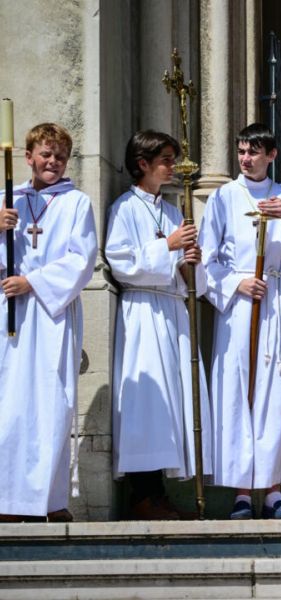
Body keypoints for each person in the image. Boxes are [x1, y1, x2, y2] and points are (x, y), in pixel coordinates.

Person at [199, 123, 281, 519]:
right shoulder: (222, 198)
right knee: (238, 393)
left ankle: (272, 489)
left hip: (277, 299)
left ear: (272, 155)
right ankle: (240, 493)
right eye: (241, 151)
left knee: (278, 394)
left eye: (253, 151)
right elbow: (206, 259)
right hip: (239, 306)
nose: (246, 158)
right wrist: (236, 282)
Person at [106, 130, 211, 519]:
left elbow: (191, 281)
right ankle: (143, 493)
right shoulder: (124, 208)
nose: (171, 166)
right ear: (142, 163)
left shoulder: (171, 211)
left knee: (171, 405)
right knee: (146, 404)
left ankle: (159, 491)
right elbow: (121, 263)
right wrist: (166, 246)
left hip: (171, 311)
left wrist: (190, 263)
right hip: (144, 313)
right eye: (165, 159)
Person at [0, 122, 99, 522]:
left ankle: (50, 501)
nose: (53, 162)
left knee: (51, 404)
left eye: (60, 156)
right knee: (11, 406)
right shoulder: (9, 201)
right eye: (45, 155)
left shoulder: (76, 203)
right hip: (11, 316)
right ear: (28, 158)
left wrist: (34, 281)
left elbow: (82, 259)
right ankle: (8, 500)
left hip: (51, 314)